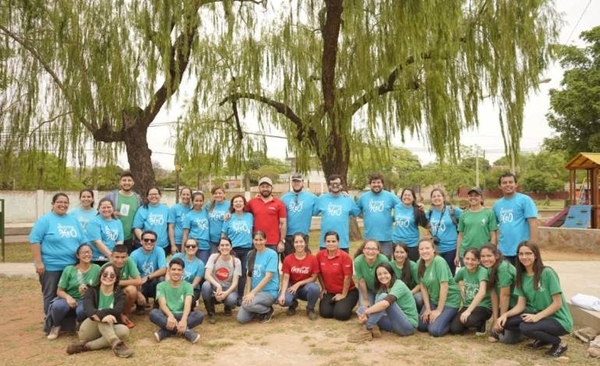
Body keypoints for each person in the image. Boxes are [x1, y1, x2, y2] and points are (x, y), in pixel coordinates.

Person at [495, 241, 573, 358]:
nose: (524, 257)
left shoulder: (547, 273)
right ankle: (544, 339)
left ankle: (559, 343)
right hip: (540, 316)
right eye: (521, 254)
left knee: (525, 327)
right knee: (508, 322)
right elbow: (521, 305)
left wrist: (537, 317)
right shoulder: (521, 276)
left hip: (559, 320)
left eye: (528, 253)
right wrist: (504, 315)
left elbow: (557, 304)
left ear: (535, 255)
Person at [30, 192, 88, 329]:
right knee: (51, 295)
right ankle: (51, 323)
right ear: (53, 204)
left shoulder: (73, 220)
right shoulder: (45, 220)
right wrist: (39, 262)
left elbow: (83, 240)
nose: (63, 205)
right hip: (51, 267)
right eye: (59, 202)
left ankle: (67, 323)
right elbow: (34, 241)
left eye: (66, 202)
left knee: (72, 293)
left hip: (72, 266)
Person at [66, 264, 133, 358]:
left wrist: (100, 313)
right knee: (102, 318)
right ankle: (116, 343)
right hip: (88, 330)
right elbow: (89, 310)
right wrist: (102, 315)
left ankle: (86, 347)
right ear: (100, 276)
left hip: (107, 329)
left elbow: (117, 311)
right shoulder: (91, 291)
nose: (108, 277)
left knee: (124, 331)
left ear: (116, 279)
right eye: (105, 274)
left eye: (112, 275)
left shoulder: (120, 294)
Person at [348, 262, 418, 342]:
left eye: (385, 273)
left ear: (391, 273)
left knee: (383, 298)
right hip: (393, 323)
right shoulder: (382, 288)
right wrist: (366, 315)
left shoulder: (399, 284)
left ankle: (368, 328)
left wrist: (367, 313)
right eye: (379, 274)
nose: (383, 276)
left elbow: (385, 304)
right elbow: (378, 310)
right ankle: (373, 326)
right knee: (361, 309)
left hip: (407, 326)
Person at [46, 244, 101, 340]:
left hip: (86, 299)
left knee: (82, 310)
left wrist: (89, 291)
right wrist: (68, 297)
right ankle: (56, 325)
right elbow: (59, 291)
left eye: (89, 252)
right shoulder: (69, 270)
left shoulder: (97, 269)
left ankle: (80, 325)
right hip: (70, 297)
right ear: (78, 255)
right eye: (83, 252)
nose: (87, 254)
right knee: (57, 306)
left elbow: (100, 288)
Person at [150, 258, 205, 343]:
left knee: (200, 315)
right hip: (167, 315)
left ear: (183, 272)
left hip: (182, 314)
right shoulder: (161, 286)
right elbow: (162, 304)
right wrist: (171, 316)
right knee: (153, 313)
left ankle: (165, 332)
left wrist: (183, 320)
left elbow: (187, 304)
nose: (176, 272)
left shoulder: (188, 286)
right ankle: (186, 332)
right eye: (173, 269)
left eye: (179, 270)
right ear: (169, 271)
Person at [416, 237, 461, 337]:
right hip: (434, 300)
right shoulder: (419, 263)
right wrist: (427, 308)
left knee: (434, 330)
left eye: (427, 248)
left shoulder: (439, 261)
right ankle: (441, 318)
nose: (424, 251)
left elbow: (444, 286)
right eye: (421, 249)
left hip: (450, 300)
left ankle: (449, 319)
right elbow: (423, 287)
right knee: (421, 326)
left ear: (433, 249)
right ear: (418, 251)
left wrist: (439, 311)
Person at [493, 173, 539, 264]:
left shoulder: (525, 200)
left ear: (516, 184)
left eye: (511, 182)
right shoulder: (497, 205)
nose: (508, 185)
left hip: (522, 251)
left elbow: (533, 224)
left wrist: (532, 247)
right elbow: (493, 227)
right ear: (500, 186)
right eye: (504, 182)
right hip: (503, 251)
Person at [237, 230, 280, 324]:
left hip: (269, 292)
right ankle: (257, 310)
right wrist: (247, 294)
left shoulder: (272, 254)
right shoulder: (250, 254)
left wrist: (252, 293)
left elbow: (268, 277)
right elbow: (249, 276)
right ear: (253, 240)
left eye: (261, 239)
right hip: (255, 293)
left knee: (247, 304)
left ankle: (267, 311)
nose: (258, 242)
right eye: (256, 240)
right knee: (241, 319)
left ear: (265, 240)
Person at [480, 243, 519, 344]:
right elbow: (494, 294)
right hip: (508, 306)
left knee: (506, 339)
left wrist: (501, 321)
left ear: (496, 256)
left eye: (489, 256)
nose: (485, 259)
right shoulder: (490, 269)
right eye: (483, 256)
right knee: (497, 335)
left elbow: (505, 296)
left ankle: (525, 333)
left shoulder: (503, 268)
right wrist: (495, 319)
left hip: (518, 306)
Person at [316, 231, 359, 321]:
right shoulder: (320, 255)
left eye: (333, 241)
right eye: (328, 241)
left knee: (341, 315)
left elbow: (347, 277)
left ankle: (343, 304)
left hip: (348, 291)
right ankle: (338, 304)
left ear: (338, 242)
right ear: (324, 242)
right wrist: (323, 288)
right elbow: (319, 273)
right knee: (325, 313)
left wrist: (343, 294)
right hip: (330, 291)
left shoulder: (345, 257)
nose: (331, 244)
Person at [357, 173, 401, 258]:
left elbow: (401, 207)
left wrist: (394, 217)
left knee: (385, 262)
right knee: (370, 260)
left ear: (382, 184)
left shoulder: (390, 196)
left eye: (378, 182)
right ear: (370, 184)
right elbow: (356, 209)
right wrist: (364, 215)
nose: (376, 185)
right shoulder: (363, 197)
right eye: (373, 182)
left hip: (386, 237)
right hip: (369, 236)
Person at [278, 233, 320, 320]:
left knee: (315, 288)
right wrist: (282, 294)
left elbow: (314, 278)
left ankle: (310, 308)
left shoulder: (312, 258)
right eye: (296, 242)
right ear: (293, 244)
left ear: (305, 243)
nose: (299, 244)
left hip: (306, 287)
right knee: (283, 301)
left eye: (301, 241)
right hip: (292, 287)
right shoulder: (288, 259)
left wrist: (298, 284)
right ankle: (292, 304)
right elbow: (285, 279)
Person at [449, 248, 491, 335]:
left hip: (483, 305)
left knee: (469, 320)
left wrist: (468, 311)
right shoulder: (462, 271)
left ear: (479, 261)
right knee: (455, 329)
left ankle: (481, 324)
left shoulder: (482, 271)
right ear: (463, 259)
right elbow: (452, 283)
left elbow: (482, 292)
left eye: (473, 259)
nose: (469, 262)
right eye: (467, 259)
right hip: (468, 304)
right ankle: (468, 322)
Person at [313, 174, 361, 252]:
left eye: (337, 184)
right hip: (325, 242)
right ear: (329, 186)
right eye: (332, 184)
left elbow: (359, 213)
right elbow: (312, 212)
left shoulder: (348, 199)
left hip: (342, 243)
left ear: (342, 186)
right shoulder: (321, 199)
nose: (335, 186)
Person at [201, 237, 242, 324]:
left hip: (228, 288)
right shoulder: (214, 257)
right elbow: (207, 275)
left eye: (227, 245)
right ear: (218, 248)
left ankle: (227, 307)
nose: (224, 247)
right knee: (205, 285)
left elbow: (235, 283)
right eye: (222, 245)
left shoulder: (236, 261)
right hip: (215, 287)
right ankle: (211, 312)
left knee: (231, 300)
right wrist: (218, 285)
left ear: (231, 247)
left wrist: (226, 293)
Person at [221, 194, 253, 302]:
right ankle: (230, 295)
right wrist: (223, 247)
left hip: (247, 248)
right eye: (235, 202)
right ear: (232, 205)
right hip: (233, 249)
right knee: (232, 273)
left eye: (240, 201)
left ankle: (239, 296)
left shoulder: (250, 216)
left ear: (244, 204)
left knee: (243, 273)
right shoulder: (228, 217)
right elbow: (224, 234)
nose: (238, 203)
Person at [455, 187, 498, 267]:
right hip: (466, 253)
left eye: (476, 195)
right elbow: (460, 236)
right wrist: (457, 255)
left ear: (481, 198)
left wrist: (492, 252)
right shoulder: (464, 215)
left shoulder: (489, 213)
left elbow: (493, 235)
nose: (473, 197)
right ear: (468, 198)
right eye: (470, 195)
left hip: (483, 253)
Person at [103, 171, 144, 253]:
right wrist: (110, 214)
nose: (126, 183)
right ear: (120, 182)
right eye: (124, 180)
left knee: (126, 262)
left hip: (130, 238)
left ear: (133, 183)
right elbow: (99, 213)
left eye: (129, 180)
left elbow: (140, 217)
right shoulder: (111, 196)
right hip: (112, 236)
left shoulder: (138, 198)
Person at [129, 230, 167, 316]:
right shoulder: (134, 254)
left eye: (152, 240)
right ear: (141, 241)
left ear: (155, 242)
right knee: (134, 282)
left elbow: (164, 269)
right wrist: (138, 292)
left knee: (162, 279)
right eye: (146, 240)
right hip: (140, 282)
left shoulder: (159, 250)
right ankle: (140, 304)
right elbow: (131, 275)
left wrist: (148, 277)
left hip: (153, 280)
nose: (149, 242)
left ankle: (157, 304)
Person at [247, 176, 287, 254]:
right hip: (256, 241)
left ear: (272, 188)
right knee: (256, 265)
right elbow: (240, 211)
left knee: (272, 265)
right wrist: (229, 212)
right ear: (259, 188)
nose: (265, 189)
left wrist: (282, 241)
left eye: (267, 187)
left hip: (273, 242)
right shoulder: (252, 202)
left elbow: (283, 223)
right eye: (263, 187)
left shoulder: (279, 203)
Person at [281, 173, 318, 256]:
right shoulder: (284, 198)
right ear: (291, 183)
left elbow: (325, 202)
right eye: (294, 181)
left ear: (302, 182)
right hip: (288, 235)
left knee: (303, 260)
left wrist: (341, 193)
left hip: (303, 234)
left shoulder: (312, 198)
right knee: (288, 261)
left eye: (298, 181)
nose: (296, 183)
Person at [427, 188, 462, 274]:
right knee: (437, 274)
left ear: (443, 198)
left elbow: (467, 216)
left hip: (451, 249)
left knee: (449, 274)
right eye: (434, 196)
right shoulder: (430, 212)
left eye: (439, 196)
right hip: (436, 249)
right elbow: (421, 220)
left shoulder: (452, 210)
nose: (436, 198)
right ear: (431, 199)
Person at [108, 244, 143, 329]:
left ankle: (124, 315)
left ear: (127, 256)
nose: (120, 260)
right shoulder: (107, 267)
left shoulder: (129, 261)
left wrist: (138, 293)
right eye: (117, 257)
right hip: (110, 295)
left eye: (123, 257)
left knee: (132, 290)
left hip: (122, 292)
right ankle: (118, 315)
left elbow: (139, 281)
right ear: (111, 256)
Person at [392, 188, 429, 262]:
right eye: (405, 195)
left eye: (409, 195)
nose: (407, 197)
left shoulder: (417, 209)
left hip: (412, 243)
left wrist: (423, 211)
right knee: (398, 265)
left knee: (413, 267)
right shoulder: (397, 207)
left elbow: (426, 225)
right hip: (397, 242)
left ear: (413, 198)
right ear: (401, 197)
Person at [133, 187, 171, 254]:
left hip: (163, 246)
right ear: (147, 197)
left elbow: (169, 227)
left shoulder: (166, 209)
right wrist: (145, 241)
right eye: (151, 194)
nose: (153, 196)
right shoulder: (142, 210)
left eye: (156, 194)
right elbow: (137, 228)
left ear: (160, 195)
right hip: (147, 246)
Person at [87, 198, 124, 266]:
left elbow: (120, 241)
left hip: (113, 257)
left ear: (113, 208)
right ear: (98, 209)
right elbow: (97, 242)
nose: (106, 209)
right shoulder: (94, 221)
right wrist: (110, 256)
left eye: (108, 207)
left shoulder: (118, 222)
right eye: (103, 207)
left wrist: (115, 255)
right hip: (97, 259)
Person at [353, 239, 389, 309]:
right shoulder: (358, 261)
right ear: (363, 250)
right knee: (365, 309)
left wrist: (381, 296)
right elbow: (361, 281)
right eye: (368, 248)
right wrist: (366, 299)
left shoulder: (383, 260)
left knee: (381, 308)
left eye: (373, 249)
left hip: (381, 288)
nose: (370, 251)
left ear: (378, 251)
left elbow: (386, 281)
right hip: (367, 289)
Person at [171, 238, 205, 309]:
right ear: (184, 248)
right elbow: (168, 273)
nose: (190, 248)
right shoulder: (177, 257)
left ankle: (188, 310)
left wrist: (182, 292)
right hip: (174, 286)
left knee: (189, 301)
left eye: (193, 246)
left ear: (197, 248)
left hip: (191, 289)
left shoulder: (200, 264)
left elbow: (195, 284)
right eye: (188, 246)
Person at [390, 243, 422, 311]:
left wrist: (409, 293)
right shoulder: (389, 265)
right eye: (397, 252)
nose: (399, 255)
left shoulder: (413, 265)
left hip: (412, 292)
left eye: (402, 252)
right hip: (395, 294)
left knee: (419, 298)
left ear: (406, 254)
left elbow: (420, 284)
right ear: (393, 253)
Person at [181, 191, 211, 264]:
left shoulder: (206, 212)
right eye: (196, 201)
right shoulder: (188, 216)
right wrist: (183, 250)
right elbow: (185, 234)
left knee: (203, 266)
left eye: (201, 201)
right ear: (192, 201)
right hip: (192, 245)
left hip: (205, 245)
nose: (198, 203)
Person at [167, 187, 192, 254]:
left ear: (190, 196)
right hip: (177, 241)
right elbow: (171, 227)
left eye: (187, 194)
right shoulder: (174, 208)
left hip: (190, 241)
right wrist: (173, 245)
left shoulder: (193, 208)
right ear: (180, 195)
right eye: (183, 194)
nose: (185, 196)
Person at [207, 186, 230, 254]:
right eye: (215, 193)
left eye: (220, 193)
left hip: (225, 239)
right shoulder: (209, 205)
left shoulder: (229, 204)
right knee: (214, 261)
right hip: (212, 240)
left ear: (224, 194)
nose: (218, 195)